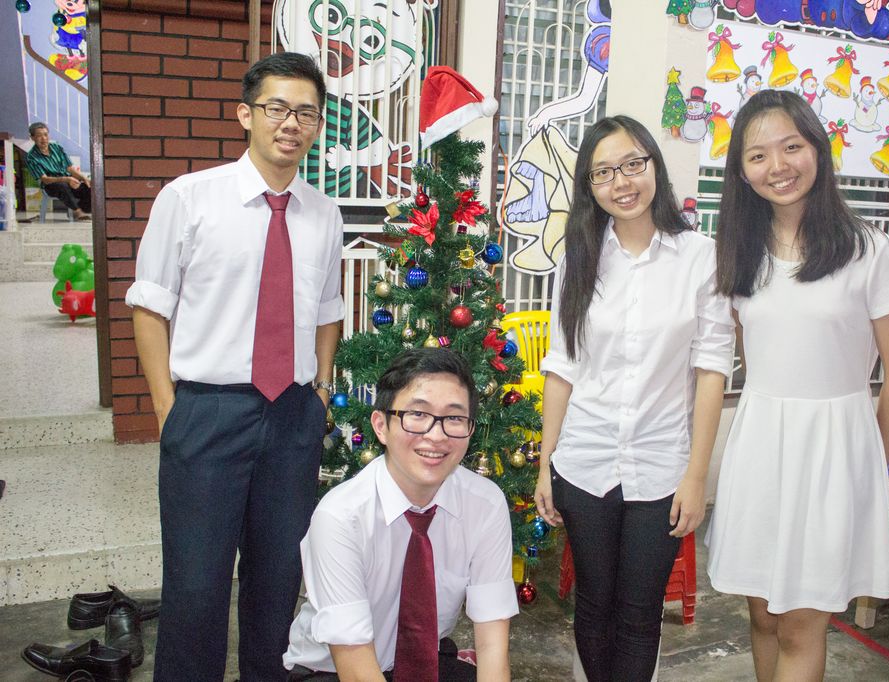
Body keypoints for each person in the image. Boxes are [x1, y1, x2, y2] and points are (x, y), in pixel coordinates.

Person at [125, 52, 344, 681]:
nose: (291, 123)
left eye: (306, 112)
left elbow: (327, 311)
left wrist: (320, 390)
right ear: (246, 114)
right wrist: (169, 409)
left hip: (293, 415)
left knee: (278, 580)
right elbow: (149, 307)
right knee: (196, 584)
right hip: (207, 411)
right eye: (277, 108)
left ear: (317, 124)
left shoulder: (323, 214)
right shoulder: (189, 198)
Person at [706, 90, 889, 681]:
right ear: (741, 172)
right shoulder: (738, 253)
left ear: (818, 151)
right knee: (763, 617)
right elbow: (749, 353)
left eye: (792, 147)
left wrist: (867, 464)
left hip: (835, 452)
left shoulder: (869, 249)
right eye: (758, 156)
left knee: (802, 625)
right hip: (761, 448)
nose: (778, 166)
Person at [533, 115, 734, 681]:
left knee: (640, 614)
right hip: (585, 459)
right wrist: (546, 465)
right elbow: (562, 367)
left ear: (654, 166)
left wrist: (696, 476)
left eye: (631, 164)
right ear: (589, 186)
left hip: (661, 464)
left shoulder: (700, 256)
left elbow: (712, 369)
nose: (620, 182)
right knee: (593, 605)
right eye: (602, 173)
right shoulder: (579, 257)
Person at [283, 348, 517, 681]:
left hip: (426, 661)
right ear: (381, 426)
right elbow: (354, 666)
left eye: (454, 418)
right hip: (335, 670)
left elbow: (492, 647)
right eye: (417, 414)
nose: (436, 435)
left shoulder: (485, 504)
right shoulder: (341, 517)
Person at [25, 122, 92, 220]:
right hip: (51, 185)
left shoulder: (57, 148)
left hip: (68, 181)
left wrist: (84, 178)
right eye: (39, 136)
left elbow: (70, 169)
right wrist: (66, 179)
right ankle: (77, 212)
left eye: (45, 134)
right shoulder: (31, 157)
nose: (44, 138)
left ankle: (81, 209)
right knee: (62, 186)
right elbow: (45, 179)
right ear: (32, 138)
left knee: (90, 186)